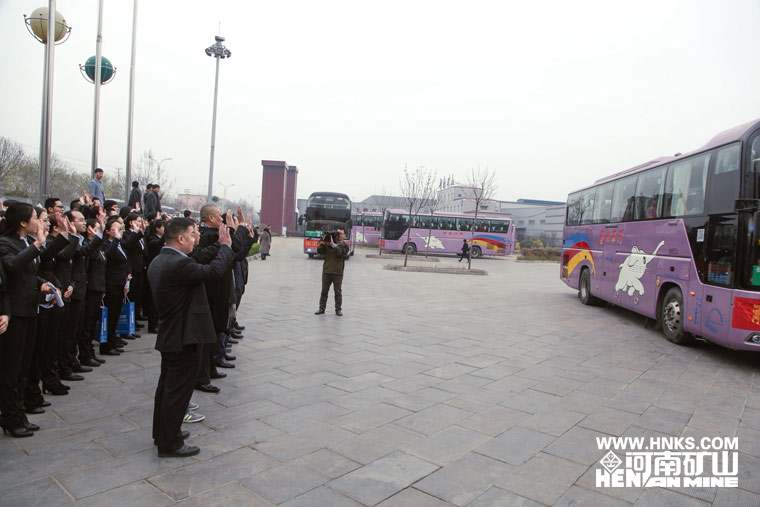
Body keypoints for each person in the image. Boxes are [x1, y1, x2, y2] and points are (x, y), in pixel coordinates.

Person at [148, 218, 234, 458]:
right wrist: (225, 247)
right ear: (181, 238)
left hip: (171, 334)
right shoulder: (179, 264)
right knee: (177, 392)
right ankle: (170, 444)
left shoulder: (160, 260)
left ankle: (163, 434)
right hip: (183, 337)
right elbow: (214, 271)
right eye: (192, 235)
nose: (195, 239)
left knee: (166, 389)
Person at [0, 202, 55, 438]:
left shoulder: (25, 243)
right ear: (22, 222)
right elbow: (12, 266)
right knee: (11, 369)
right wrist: (38, 244)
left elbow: (28, 274)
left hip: (30, 309)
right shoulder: (6, 243)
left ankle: (19, 413)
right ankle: (9, 417)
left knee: (23, 368)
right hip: (14, 313)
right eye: (35, 218)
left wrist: (41, 283)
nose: (39, 223)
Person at [315, 228, 349, 316]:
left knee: (337, 292)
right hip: (327, 271)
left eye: (340, 233)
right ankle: (321, 308)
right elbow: (320, 251)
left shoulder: (344, 245)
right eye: (337, 233)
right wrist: (323, 241)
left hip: (338, 272)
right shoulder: (328, 244)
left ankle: (338, 309)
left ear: (344, 235)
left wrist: (334, 245)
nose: (338, 235)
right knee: (324, 291)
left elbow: (341, 254)